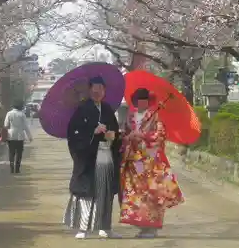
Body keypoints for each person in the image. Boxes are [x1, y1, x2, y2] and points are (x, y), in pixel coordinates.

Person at [63, 76, 122, 239]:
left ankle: (105, 227)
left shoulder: (108, 109)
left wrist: (113, 136)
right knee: (86, 193)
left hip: (106, 155)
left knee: (106, 192)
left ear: (104, 91)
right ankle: (83, 228)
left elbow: (115, 132)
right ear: (90, 91)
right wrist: (92, 133)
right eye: (95, 90)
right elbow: (73, 134)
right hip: (88, 158)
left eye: (101, 90)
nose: (97, 93)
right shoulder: (81, 109)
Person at [120, 88, 184, 238]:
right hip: (135, 161)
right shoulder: (131, 117)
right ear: (135, 101)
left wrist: (143, 135)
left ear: (148, 101)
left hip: (150, 161)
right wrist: (128, 137)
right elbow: (124, 134)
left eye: (144, 99)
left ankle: (152, 228)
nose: (142, 102)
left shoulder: (155, 117)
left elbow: (160, 135)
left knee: (152, 194)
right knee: (137, 195)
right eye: (139, 99)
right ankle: (143, 226)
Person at [3, 101, 33, 174]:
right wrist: (30, 137)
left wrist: (4, 135)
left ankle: (11, 168)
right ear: (20, 107)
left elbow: (6, 125)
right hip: (20, 136)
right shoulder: (22, 114)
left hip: (11, 135)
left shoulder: (9, 113)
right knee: (19, 153)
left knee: (11, 152)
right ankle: (17, 169)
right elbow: (26, 127)